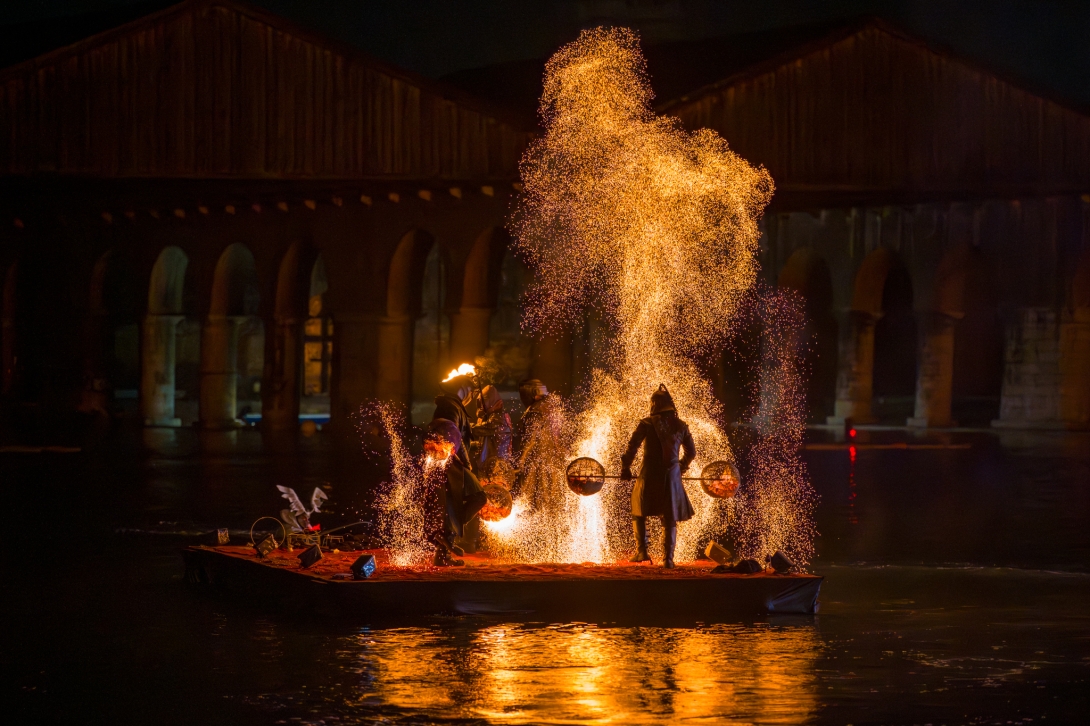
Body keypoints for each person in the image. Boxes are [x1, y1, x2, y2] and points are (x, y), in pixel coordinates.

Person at [620, 384, 696, 568]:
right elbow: (691, 453)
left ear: (655, 404)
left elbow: (632, 447)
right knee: (669, 516)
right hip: (671, 477)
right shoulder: (682, 425)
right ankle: (668, 560)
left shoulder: (646, 423)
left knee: (638, 509)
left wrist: (626, 468)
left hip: (649, 475)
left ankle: (642, 552)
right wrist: (680, 468)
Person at [425, 418, 487, 567]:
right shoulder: (453, 412)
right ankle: (448, 532)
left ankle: (442, 554)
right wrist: (466, 462)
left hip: (440, 462)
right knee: (479, 497)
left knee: (448, 502)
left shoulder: (441, 418)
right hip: (451, 464)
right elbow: (455, 439)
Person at [432, 372, 477, 471]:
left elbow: (458, 435)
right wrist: (466, 463)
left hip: (453, 463)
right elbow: (452, 436)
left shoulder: (454, 406)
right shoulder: (449, 406)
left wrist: (472, 445)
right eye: (471, 391)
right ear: (463, 388)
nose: (472, 395)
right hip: (451, 465)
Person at [471, 384, 513, 469]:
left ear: (489, 401)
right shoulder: (493, 416)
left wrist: (464, 425)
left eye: (483, 403)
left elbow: (480, 429)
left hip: (497, 467)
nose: (481, 407)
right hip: (491, 465)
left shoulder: (499, 417)